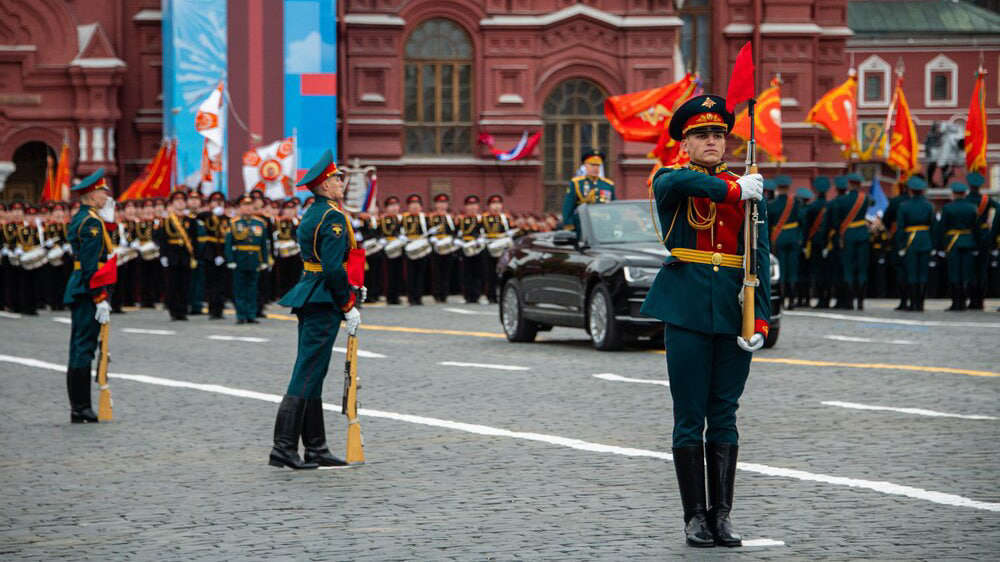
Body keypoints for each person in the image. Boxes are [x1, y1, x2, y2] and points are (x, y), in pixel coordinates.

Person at [639, 94, 769, 548]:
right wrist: (737, 189)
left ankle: (723, 516)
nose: (712, 141)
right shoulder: (671, 179)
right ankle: (694, 517)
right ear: (686, 142)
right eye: (702, 135)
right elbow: (685, 188)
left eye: (718, 135)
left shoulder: (745, 186)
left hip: (734, 311)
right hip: (688, 310)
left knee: (726, 416)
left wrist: (763, 321)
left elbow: (759, 257)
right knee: (690, 416)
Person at [270, 150, 362, 469]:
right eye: (336, 178)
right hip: (323, 298)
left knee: (314, 372)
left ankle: (315, 447)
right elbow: (334, 268)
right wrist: (348, 304)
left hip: (310, 293)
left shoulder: (312, 212)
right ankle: (283, 446)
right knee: (307, 372)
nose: (340, 182)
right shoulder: (332, 217)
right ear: (323, 186)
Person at [63, 169, 114, 423]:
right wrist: (99, 297)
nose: (106, 197)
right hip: (87, 291)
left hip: (80, 288)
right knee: (84, 348)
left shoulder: (85, 217)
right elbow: (92, 264)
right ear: (92, 196)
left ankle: (79, 406)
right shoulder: (92, 222)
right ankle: (81, 407)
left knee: (78, 347)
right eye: (103, 192)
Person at [829, 172, 872, 310]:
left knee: (848, 269)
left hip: (848, 236)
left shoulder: (841, 200)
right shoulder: (865, 199)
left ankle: (850, 301)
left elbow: (835, 222)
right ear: (859, 185)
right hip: (863, 235)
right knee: (862, 270)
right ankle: (861, 301)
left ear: (850, 184)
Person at [225, 196, 270, 324]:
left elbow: (263, 245)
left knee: (252, 288)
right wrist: (230, 260)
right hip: (240, 259)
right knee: (240, 288)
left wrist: (264, 261)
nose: (248, 208)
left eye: (250, 205)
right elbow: (229, 244)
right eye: (244, 205)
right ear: (240, 208)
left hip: (254, 259)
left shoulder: (260, 223)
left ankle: (251, 314)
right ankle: (241, 315)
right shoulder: (234, 223)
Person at [936, 182, 978, 311]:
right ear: (965, 194)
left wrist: (941, 246)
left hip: (952, 243)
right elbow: (976, 228)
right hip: (968, 242)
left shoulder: (948, 208)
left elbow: (942, 228)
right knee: (966, 273)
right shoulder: (972, 207)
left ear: (954, 194)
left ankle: (956, 303)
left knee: (954, 273)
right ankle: (964, 303)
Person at [156, 191, 198, 320]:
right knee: (172, 284)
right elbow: (162, 238)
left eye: (182, 200)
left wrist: (194, 255)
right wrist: (163, 255)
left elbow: (194, 239)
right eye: (177, 200)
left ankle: (183, 310)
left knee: (185, 284)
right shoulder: (167, 220)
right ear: (172, 203)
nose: (180, 202)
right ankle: (174, 311)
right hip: (171, 255)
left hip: (185, 255)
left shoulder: (190, 220)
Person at [894, 176, 933, 311]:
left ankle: (913, 303)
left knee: (911, 273)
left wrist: (900, 245)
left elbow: (900, 228)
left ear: (910, 190)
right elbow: (933, 226)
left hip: (910, 241)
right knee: (923, 274)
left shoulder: (904, 206)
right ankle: (921, 303)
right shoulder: (929, 205)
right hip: (925, 240)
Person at [767, 175, 803, 310]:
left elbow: (768, 226)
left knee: (780, 270)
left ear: (777, 188)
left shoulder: (771, 205)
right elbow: (802, 221)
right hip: (793, 238)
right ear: (788, 187)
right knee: (793, 270)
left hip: (778, 239)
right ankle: (792, 300)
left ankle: (781, 301)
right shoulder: (796, 203)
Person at [964, 172, 998, 309]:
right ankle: (980, 301)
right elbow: (999, 210)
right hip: (984, 236)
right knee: (982, 270)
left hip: (969, 236)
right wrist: (993, 230)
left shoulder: (965, 200)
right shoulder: (986, 200)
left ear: (969, 185)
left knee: (970, 270)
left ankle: (972, 300)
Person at [562, 148, 615, 232]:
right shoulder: (577, 183)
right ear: (585, 166)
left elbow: (613, 206)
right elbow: (568, 207)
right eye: (592, 165)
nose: (595, 168)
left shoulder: (608, 184)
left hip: (605, 226)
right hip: (583, 226)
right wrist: (569, 225)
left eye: (598, 165)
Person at [201, 192, 230, 319]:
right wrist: (212, 214)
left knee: (222, 283)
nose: (218, 203)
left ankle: (220, 309)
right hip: (209, 253)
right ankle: (212, 309)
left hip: (223, 253)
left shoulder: (227, 219)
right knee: (211, 283)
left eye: (220, 201)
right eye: (214, 201)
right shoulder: (205, 217)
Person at [883, 180, 910, 310]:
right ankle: (917, 301)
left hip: (898, 238)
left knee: (900, 270)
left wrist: (890, 230)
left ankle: (904, 300)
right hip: (918, 241)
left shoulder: (895, 201)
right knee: (915, 271)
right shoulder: (924, 203)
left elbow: (885, 218)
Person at [428, 193, 457, 303]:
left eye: (444, 203)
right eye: (440, 203)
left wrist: (453, 239)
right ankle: (436, 294)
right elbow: (426, 232)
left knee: (446, 272)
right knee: (436, 272)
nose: (442, 205)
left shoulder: (451, 218)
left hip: (448, 247)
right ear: (436, 204)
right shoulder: (430, 217)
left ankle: (444, 294)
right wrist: (432, 238)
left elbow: (455, 231)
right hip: (436, 248)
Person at [401, 194, 429, 305]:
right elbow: (398, 231)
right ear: (408, 207)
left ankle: (419, 296)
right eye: (412, 205)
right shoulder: (403, 218)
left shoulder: (424, 218)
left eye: (417, 204)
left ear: (421, 207)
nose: (415, 207)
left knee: (421, 273)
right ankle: (411, 297)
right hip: (409, 248)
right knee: (410, 274)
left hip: (421, 248)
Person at [457, 195, 485, 303]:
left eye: (474, 205)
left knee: (478, 272)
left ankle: (477, 295)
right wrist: (458, 241)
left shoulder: (481, 219)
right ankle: (467, 295)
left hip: (478, 248)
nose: (472, 207)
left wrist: (481, 239)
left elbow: (485, 232)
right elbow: (457, 233)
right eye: (469, 205)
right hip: (465, 248)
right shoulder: (461, 220)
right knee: (466, 273)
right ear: (465, 207)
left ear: (478, 206)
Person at [482, 194, 510, 304]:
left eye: (498, 204)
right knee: (489, 273)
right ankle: (490, 295)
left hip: (501, 248)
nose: (496, 206)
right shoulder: (483, 218)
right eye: (493, 204)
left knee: (502, 273)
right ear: (489, 206)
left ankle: (502, 295)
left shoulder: (505, 218)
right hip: (488, 247)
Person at [379, 196, 404, 305]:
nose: (394, 208)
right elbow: (378, 232)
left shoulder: (402, 219)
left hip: (399, 248)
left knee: (398, 273)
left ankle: (397, 295)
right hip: (387, 249)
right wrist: (381, 240)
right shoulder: (382, 220)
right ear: (386, 208)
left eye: (396, 205)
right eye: (391, 206)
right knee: (388, 273)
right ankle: (389, 296)